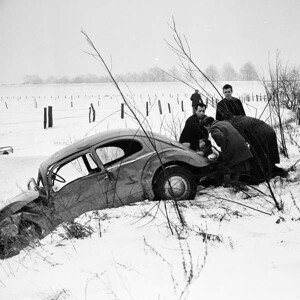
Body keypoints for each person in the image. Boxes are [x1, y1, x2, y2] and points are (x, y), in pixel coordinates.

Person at [202, 116, 252, 185]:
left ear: (208, 125)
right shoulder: (224, 122)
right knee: (237, 164)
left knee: (226, 165)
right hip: (242, 144)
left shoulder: (214, 128)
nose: (207, 130)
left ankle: (227, 184)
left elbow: (220, 137)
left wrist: (221, 145)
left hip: (232, 147)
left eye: (206, 128)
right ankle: (236, 182)